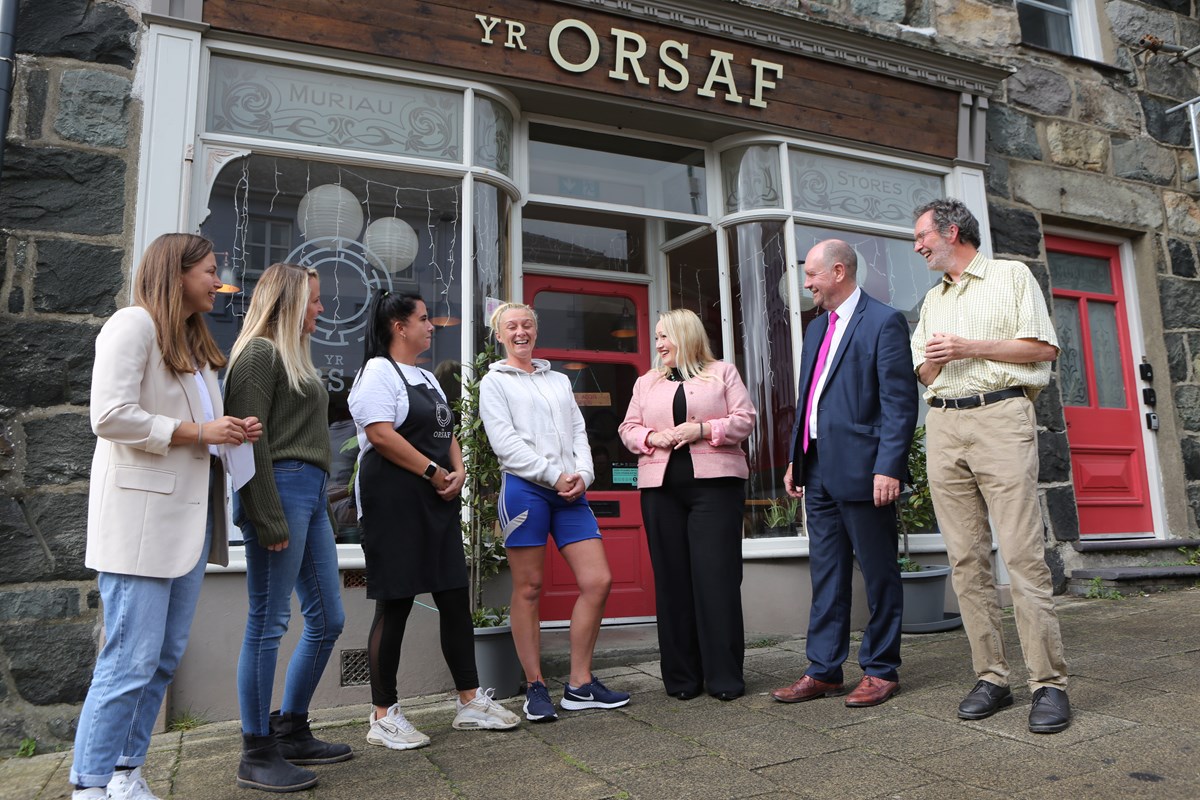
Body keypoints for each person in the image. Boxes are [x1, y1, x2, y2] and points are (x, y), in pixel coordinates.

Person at [71, 233, 262, 800]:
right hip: (140, 525)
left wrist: (229, 433)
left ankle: (127, 774)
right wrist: (199, 431)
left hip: (186, 524)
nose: (217, 279)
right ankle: (88, 785)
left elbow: (195, 429)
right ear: (174, 274)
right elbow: (109, 416)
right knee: (127, 661)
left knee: (159, 662)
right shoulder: (132, 326)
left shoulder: (193, 343)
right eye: (208, 269)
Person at [910, 198, 1071, 734]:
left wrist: (969, 347)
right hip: (944, 424)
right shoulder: (932, 299)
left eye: (922, 237)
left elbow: (1044, 349)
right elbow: (926, 375)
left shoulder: (1010, 276)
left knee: (1023, 558)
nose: (918, 247)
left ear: (952, 232)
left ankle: (1047, 685)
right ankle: (992, 677)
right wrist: (936, 359)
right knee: (966, 561)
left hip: (1001, 415)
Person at [348, 291, 519, 751]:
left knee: (452, 598)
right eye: (424, 319)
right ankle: (383, 716)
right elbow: (381, 435)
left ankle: (469, 701)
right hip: (394, 503)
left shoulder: (425, 376)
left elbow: (447, 432)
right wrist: (431, 470)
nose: (431, 326)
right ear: (398, 326)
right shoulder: (376, 373)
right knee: (396, 605)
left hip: (437, 501)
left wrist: (458, 470)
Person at [770, 240, 918, 709]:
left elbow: (899, 404)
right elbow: (809, 400)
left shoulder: (884, 321)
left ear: (838, 271)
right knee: (827, 575)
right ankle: (823, 670)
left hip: (865, 472)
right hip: (818, 472)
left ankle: (880, 669)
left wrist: (888, 466)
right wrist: (797, 456)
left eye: (812, 275)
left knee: (879, 574)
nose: (807, 283)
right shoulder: (815, 330)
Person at [224, 263, 350, 793]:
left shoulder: (292, 356)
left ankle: (292, 727)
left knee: (329, 619)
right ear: (290, 302)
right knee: (268, 621)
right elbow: (245, 443)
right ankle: (256, 751)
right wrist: (267, 513)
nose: (322, 310)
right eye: (315, 301)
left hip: (311, 494)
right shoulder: (258, 355)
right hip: (281, 491)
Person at [479, 302, 630, 722]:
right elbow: (504, 443)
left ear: (536, 330)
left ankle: (580, 685)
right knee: (528, 589)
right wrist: (552, 475)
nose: (521, 331)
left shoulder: (559, 380)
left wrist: (583, 473)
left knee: (598, 580)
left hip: (570, 492)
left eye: (527, 324)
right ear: (499, 335)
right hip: (526, 490)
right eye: (511, 326)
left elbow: (579, 430)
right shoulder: (494, 383)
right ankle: (536, 686)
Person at [618, 308, 755, 701]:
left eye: (665, 336)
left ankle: (725, 678)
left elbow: (745, 418)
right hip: (660, 492)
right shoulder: (647, 382)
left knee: (717, 581)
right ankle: (682, 679)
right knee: (673, 583)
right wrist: (649, 438)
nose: (658, 343)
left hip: (716, 489)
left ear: (687, 336)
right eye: (657, 336)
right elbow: (627, 428)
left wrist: (703, 429)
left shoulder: (723, 373)